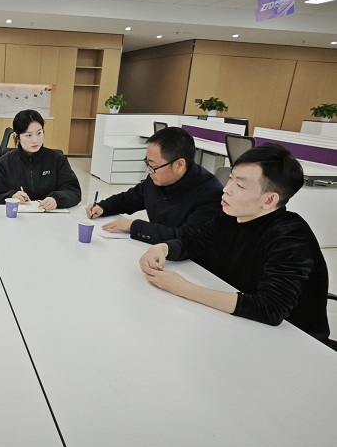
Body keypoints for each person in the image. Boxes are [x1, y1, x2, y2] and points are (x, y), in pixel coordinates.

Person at [139, 143, 329, 341]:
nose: (226, 190)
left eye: (240, 186)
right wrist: (163, 248)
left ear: (269, 200)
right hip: (236, 325)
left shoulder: (291, 237)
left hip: (294, 341)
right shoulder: (233, 214)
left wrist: (184, 289)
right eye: (230, 178)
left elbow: (271, 308)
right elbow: (195, 241)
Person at [86, 126, 222, 243]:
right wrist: (104, 207)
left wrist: (134, 226)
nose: (148, 170)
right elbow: (130, 198)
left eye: (153, 165)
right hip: (155, 252)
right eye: (147, 163)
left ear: (179, 165)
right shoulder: (157, 177)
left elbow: (186, 238)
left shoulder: (210, 194)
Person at [0, 109, 81, 209]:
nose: (35, 140)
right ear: (17, 137)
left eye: (39, 133)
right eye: (28, 135)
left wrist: (57, 200)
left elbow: (74, 191)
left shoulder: (57, 160)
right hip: (18, 215)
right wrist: (12, 196)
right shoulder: (5, 162)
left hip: (50, 215)